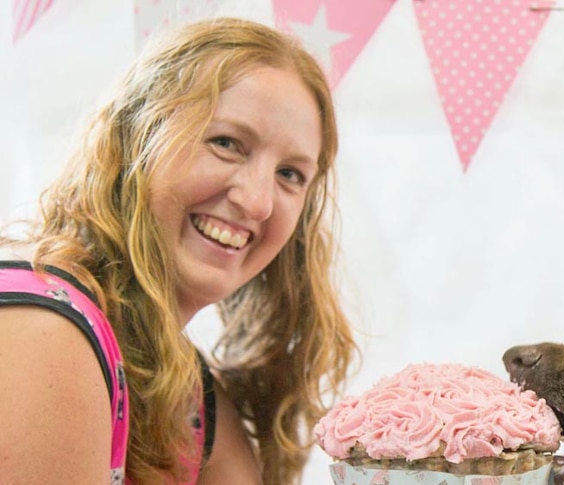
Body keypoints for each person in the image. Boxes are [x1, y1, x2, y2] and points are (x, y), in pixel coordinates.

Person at [0, 17, 357, 485]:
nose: (257, 201)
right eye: (226, 144)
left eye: (290, 174)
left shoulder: (194, 401)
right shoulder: (43, 331)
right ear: (138, 135)